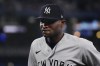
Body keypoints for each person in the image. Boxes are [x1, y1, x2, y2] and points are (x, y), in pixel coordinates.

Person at [28, 4, 100, 66]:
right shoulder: (35, 45)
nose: (44, 25)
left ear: (62, 23)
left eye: (49, 21)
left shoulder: (81, 45)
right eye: (42, 21)